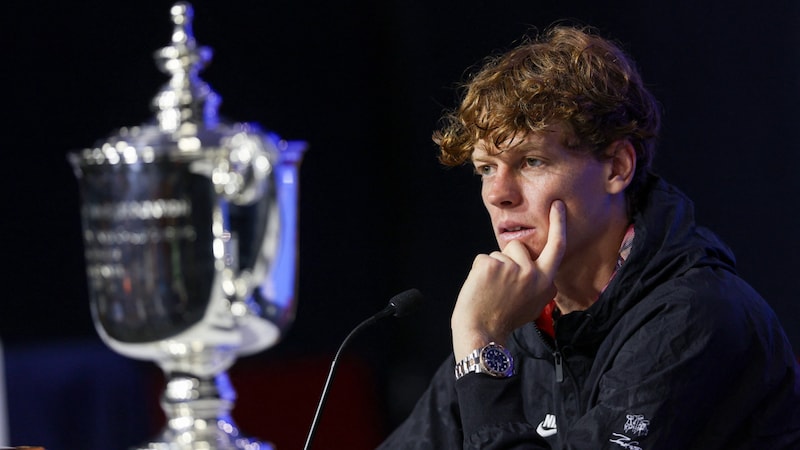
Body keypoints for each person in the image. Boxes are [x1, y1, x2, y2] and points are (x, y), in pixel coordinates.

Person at [378, 25, 800, 449]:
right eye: (486, 167)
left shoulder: (697, 317)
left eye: (531, 161)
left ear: (617, 167)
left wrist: (480, 345)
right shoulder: (521, 322)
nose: (497, 194)